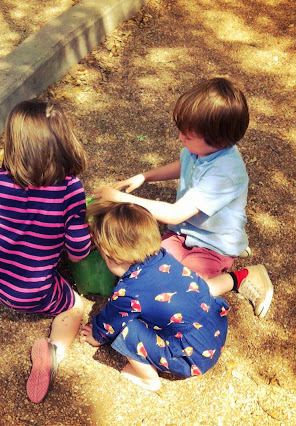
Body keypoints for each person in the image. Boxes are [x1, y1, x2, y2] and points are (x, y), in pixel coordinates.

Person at [95, 77, 273, 318]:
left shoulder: (225, 173)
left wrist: (120, 198)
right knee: (147, 273)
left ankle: (242, 277)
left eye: (187, 136)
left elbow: (175, 213)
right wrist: (144, 177)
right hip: (183, 234)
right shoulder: (198, 149)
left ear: (218, 141)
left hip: (212, 246)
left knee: (186, 293)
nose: (180, 138)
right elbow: (182, 165)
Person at [0, 99, 91, 403]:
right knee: (75, 306)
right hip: (29, 293)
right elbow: (78, 252)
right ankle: (53, 352)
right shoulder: (70, 189)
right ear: (64, 143)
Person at [80, 200, 231, 391]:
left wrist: (96, 335)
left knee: (127, 330)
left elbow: (110, 321)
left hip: (191, 357)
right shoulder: (163, 256)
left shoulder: (128, 291)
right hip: (213, 333)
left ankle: (149, 379)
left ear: (113, 258)